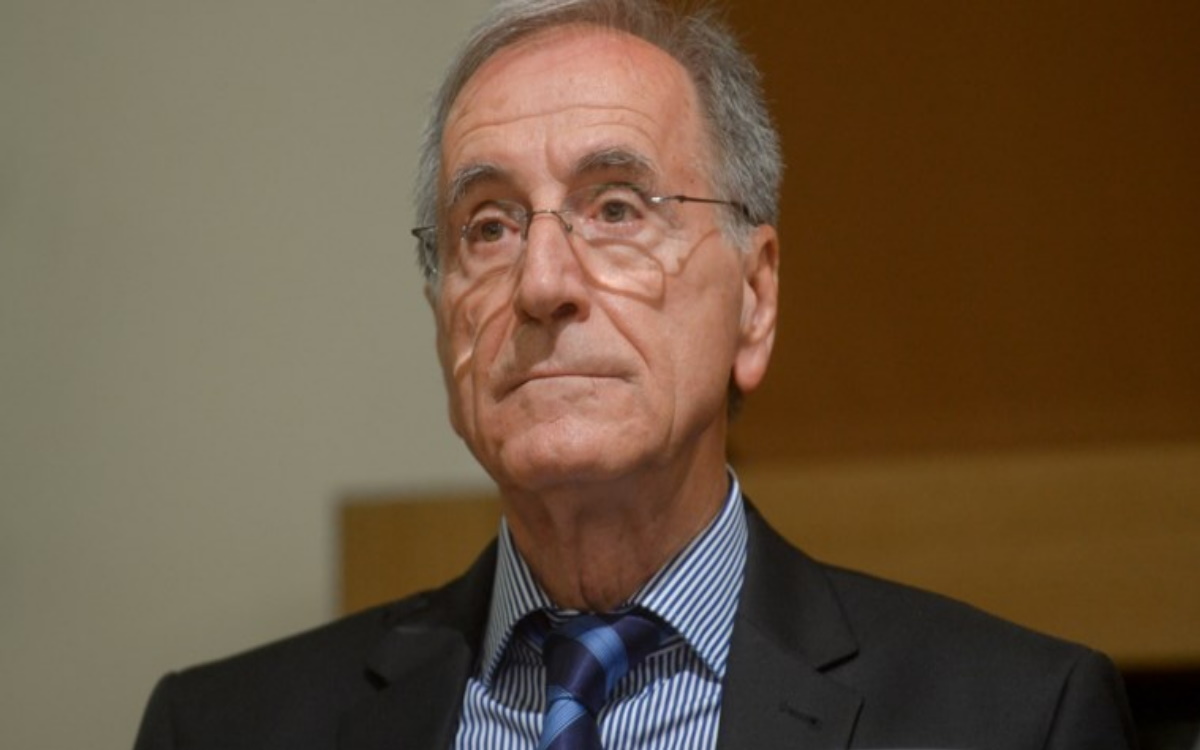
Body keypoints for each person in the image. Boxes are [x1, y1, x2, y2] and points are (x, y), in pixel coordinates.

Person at [134, 1, 1137, 748]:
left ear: (755, 296)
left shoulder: (1016, 720)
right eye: (488, 226)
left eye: (616, 208)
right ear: (442, 316)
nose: (542, 283)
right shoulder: (221, 728)